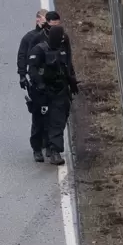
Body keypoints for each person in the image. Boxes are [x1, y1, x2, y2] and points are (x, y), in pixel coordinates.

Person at [27, 26, 79, 165]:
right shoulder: (39, 50)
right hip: (42, 92)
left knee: (58, 121)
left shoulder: (62, 50)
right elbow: (32, 69)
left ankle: (55, 150)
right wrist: (39, 84)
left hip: (60, 91)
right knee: (40, 121)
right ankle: (37, 148)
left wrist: (72, 81)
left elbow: (67, 66)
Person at [17, 9, 49, 161]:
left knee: (52, 114)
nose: (46, 22)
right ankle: (37, 147)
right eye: (43, 19)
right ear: (37, 20)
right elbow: (22, 56)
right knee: (38, 114)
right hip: (35, 82)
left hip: (50, 82)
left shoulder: (52, 37)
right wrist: (22, 75)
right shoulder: (29, 37)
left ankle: (49, 144)